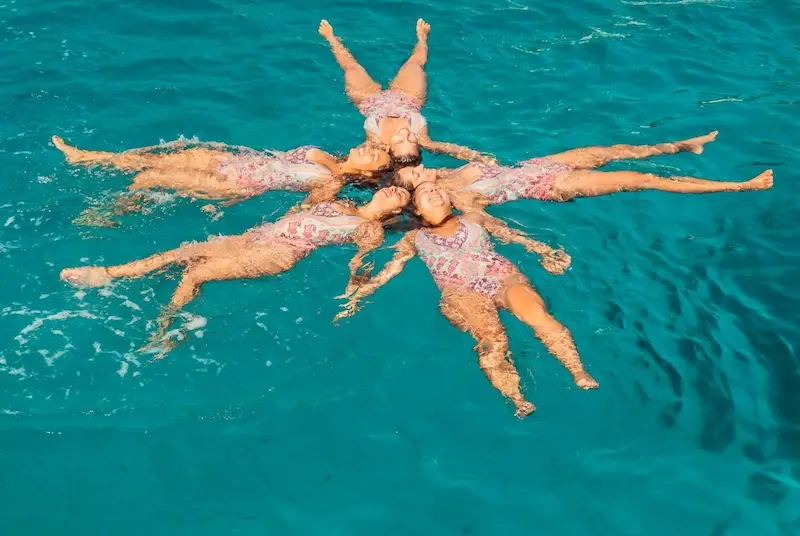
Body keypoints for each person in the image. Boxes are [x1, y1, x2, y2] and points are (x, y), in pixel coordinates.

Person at [334, 181, 593, 418]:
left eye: (436, 189)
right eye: (425, 193)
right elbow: (393, 268)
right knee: (492, 338)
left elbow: (513, 236)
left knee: (538, 315)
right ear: (418, 211)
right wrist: (361, 293)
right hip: (462, 291)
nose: (433, 192)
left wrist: (546, 252)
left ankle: (578, 371)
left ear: (449, 199)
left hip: (504, 278)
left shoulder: (475, 218)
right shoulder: (412, 238)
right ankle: (516, 397)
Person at [60, 186, 411, 357]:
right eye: (396, 187)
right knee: (177, 254)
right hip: (257, 237)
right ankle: (107, 273)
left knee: (195, 275)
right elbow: (299, 208)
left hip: (280, 253)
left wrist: (354, 297)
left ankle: (166, 328)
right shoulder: (341, 201)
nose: (397, 191)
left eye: (402, 198)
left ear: (394, 212)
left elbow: (359, 265)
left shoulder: (371, 231)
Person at [391, 131, 774, 209]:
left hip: (538, 164)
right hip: (553, 183)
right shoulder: (452, 197)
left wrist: (431, 144)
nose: (421, 174)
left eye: (415, 171)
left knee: (611, 150)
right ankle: (740, 186)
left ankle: (682, 145)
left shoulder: (448, 173)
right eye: (414, 180)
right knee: (641, 180)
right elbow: (482, 220)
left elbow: (485, 156)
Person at [318, 18, 494, 166]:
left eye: (400, 141)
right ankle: (422, 39)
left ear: (388, 149)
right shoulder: (423, 139)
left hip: (369, 101)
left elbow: (349, 159)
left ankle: (331, 39)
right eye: (411, 141)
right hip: (408, 98)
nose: (406, 135)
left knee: (352, 68)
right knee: (414, 65)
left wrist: (332, 164)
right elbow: (449, 148)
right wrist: (480, 158)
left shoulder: (375, 142)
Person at [52, 135, 393, 211]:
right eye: (372, 146)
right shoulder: (330, 158)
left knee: (151, 180)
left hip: (234, 181)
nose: (368, 148)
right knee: (164, 159)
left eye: (374, 156)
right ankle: (84, 157)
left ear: (370, 174)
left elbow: (305, 209)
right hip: (233, 162)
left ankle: (109, 213)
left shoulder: (331, 181)